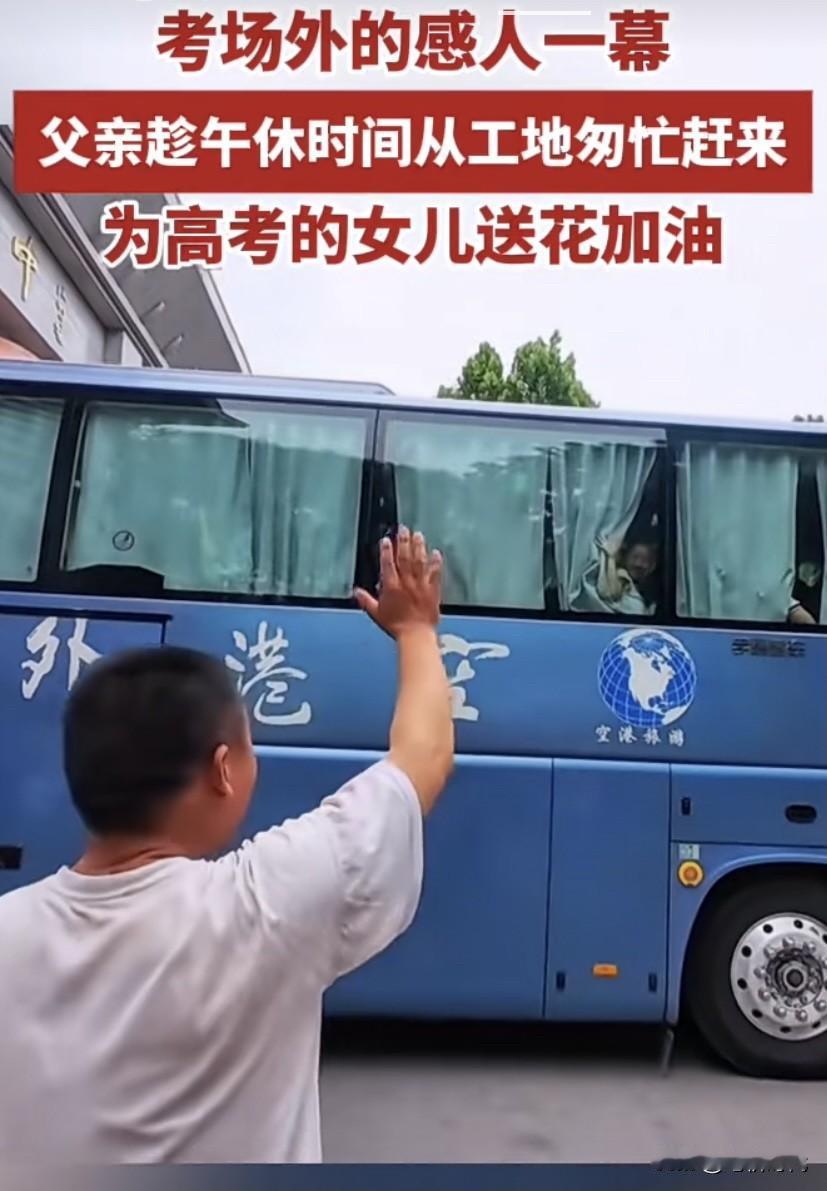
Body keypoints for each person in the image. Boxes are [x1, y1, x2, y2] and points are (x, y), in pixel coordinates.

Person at [0, 527, 454, 1164]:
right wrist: (416, 631)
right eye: (247, 745)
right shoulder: (266, 907)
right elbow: (422, 759)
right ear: (222, 771)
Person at [595, 533, 659, 616]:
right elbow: (608, 592)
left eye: (644, 560)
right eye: (635, 557)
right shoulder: (622, 576)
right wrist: (610, 559)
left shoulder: (653, 590)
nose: (638, 564)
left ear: (652, 565)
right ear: (626, 557)